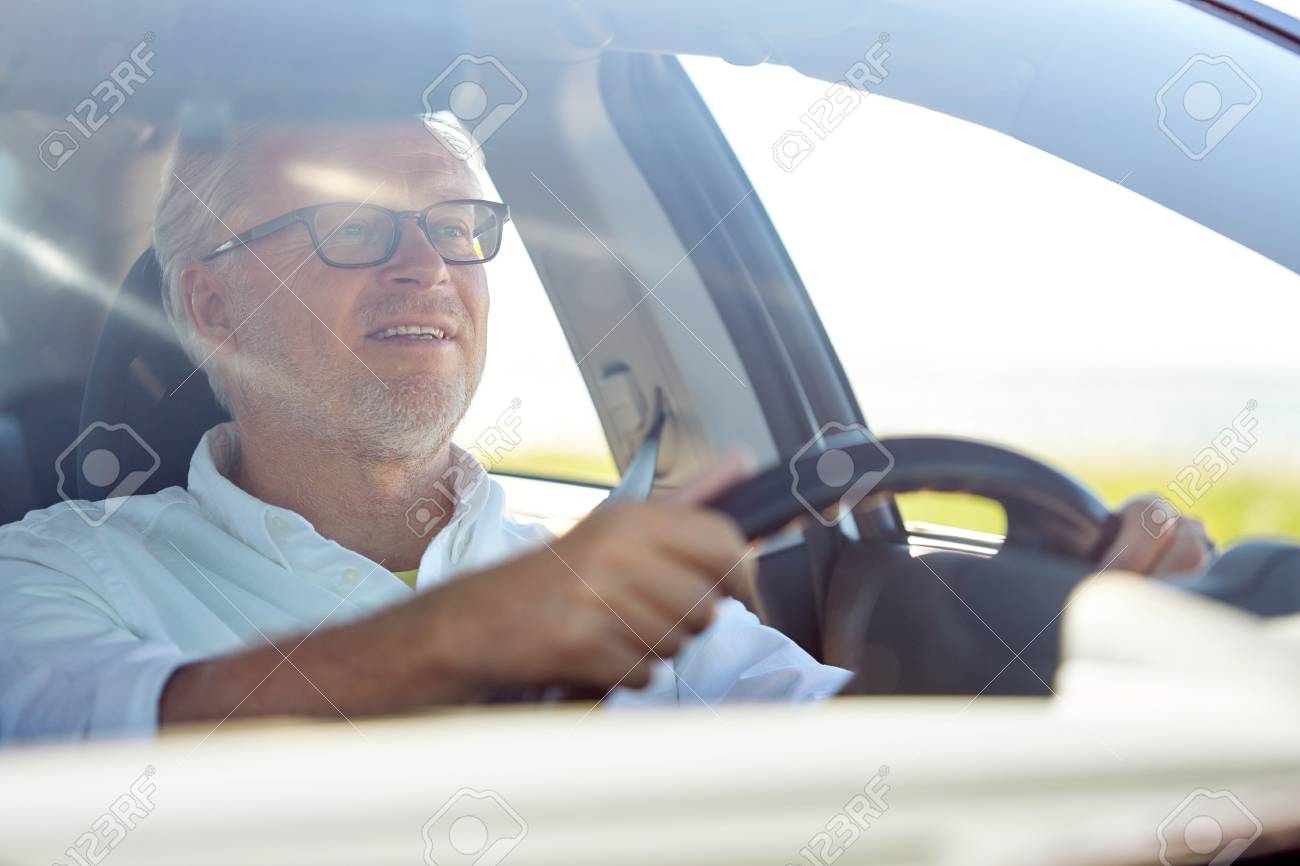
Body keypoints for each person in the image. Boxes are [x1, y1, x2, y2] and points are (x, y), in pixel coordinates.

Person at [0, 118, 1209, 742]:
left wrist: (1076, 656)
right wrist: (468, 636)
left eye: (459, 223)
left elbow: (840, 760)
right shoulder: (54, 572)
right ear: (210, 302)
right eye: (356, 227)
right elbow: (100, 753)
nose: (429, 266)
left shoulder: (598, 568)